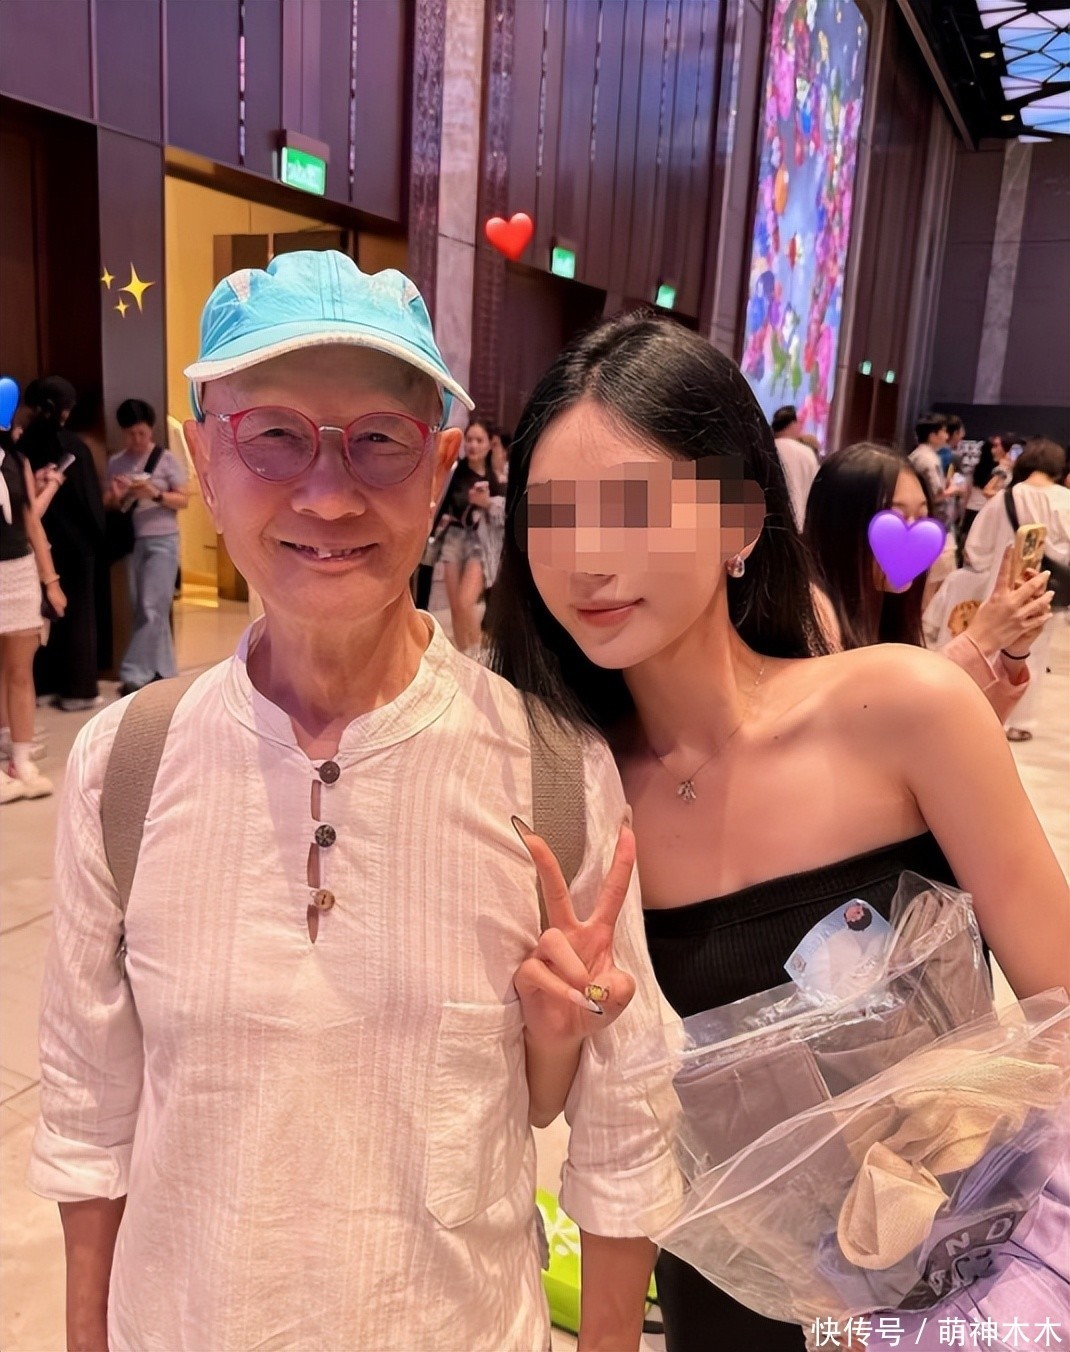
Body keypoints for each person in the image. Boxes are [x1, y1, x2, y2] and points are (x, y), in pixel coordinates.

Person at [28, 251, 677, 1352]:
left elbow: (625, 1130)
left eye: (379, 439)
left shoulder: (550, 770)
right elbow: (89, 1118)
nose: (328, 494)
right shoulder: (123, 764)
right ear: (203, 460)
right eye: (272, 435)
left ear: (438, 468)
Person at [487, 313, 1069, 1351]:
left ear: (740, 521)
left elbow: (1061, 1007)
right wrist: (556, 1025)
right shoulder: (570, 786)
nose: (586, 560)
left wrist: (1022, 1299)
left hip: (959, 1291)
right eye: (552, 517)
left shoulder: (903, 710)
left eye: (631, 507)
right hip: (726, 1299)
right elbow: (555, 1104)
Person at [804, 443, 1050, 723]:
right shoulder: (810, 611)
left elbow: (959, 724)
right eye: (896, 517)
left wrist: (1012, 651)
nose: (913, 533)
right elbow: (867, 719)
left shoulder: (885, 610)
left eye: (922, 517)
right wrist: (981, 639)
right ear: (841, 523)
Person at [964, 438, 1070, 743]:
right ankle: (1022, 721)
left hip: (1001, 591)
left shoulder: (1005, 497)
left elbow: (977, 548)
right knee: (1033, 653)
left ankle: (987, 713)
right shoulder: (1066, 500)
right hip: (1044, 590)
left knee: (992, 650)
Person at [19, 377, 105, 711]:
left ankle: (41, 686)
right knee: (78, 616)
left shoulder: (20, 447)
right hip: (76, 545)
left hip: (33, 545)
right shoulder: (74, 447)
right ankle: (77, 690)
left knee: (39, 617)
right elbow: (89, 503)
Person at [103, 399, 190, 695]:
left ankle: (133, 672)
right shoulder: (117, 462)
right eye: (131, 434)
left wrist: (154, 493)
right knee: (144, 607)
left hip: (163, 539)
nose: (137, 439)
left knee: (153, 607)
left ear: (151, 429)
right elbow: (108, 502)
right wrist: (118, 494)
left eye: (142, 433)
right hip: (131, 541)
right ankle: (165, 671)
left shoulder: (166, 459)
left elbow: (183, 500)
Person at [0, 428, 67, 802]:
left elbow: (31, 522)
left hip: (19, 572)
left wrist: (50, 580)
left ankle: (22, 761)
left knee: (20, 671)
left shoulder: (17, 460)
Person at [435, 414, 505, 654]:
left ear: (489, 444)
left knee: (466, 602)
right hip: (453, 538)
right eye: (469, 439)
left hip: (479, 542)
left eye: (479, 440)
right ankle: (463, 656)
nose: (473, 445)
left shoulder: (494, 478)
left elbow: (504, 517)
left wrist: (486, 503)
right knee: (456, 606)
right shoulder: (456, 472)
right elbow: (443, 504)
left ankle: (478, 658)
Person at [771, 414, 817, 532]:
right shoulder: (807, 453)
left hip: (772, 525)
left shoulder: (768, 448)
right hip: (802, 523)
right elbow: (816, 490)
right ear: (792, 425)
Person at [963, 434, 1011, 539]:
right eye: (993, 446)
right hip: (982, 512)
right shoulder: (999, 470)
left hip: (984, 512)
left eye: (997, 446)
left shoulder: (1004, 469)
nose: (994, 450)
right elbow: (986, 491)